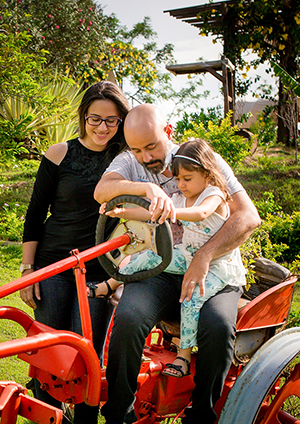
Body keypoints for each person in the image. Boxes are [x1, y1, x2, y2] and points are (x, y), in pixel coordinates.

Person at [92, 104, 261, 424]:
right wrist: (144, 190)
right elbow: (102, 190)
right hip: (165, 268)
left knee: (218, 326)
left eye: (151, 147)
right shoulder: (131, 161)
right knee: (130, 316)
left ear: (167, 132)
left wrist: (205, 255)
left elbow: (248, 216)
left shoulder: (200, 160)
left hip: (213, 270)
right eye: (136, 149)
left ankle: (199, 421)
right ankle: (117, 419)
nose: (145, 157)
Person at [19, 81, 131, 424]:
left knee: (87, 355)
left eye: (112, 121)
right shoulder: (59, 153)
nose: (102, 127)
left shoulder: (125, 161)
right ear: (83, 116)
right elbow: (35, 215)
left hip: (98, 269)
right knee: (49, 352)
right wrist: (28, 270)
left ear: (122, 122)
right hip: (52, 263)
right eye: (95, 118)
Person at [99, 138, 248, 379]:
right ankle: (111, 284)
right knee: (150, 257)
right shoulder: (180, 197)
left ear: (207, 175)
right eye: (178, 179)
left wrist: (170, 212)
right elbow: (149, 212)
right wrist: (122, 212)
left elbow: (201, 213)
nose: (181, 184)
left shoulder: (215, 194)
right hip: (187, 256)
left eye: (187, 179)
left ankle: (183, 356)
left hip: (216, 266)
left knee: (189, 299)